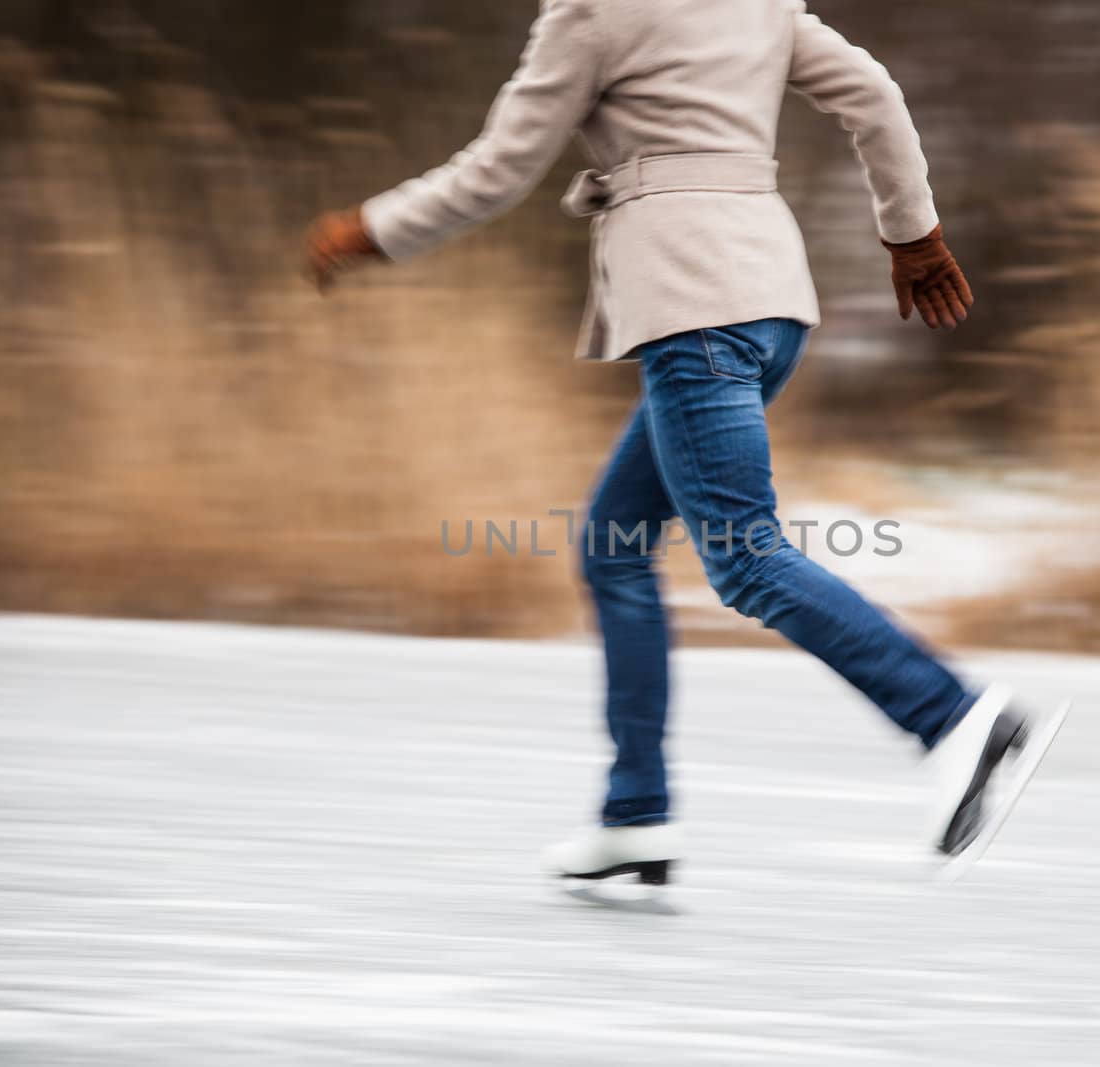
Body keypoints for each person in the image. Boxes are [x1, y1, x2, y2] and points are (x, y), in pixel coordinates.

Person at [304, 0, 1034, 887]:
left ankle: (952, 717)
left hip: (695, 309)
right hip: (769, 304)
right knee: (614, 547)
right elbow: (874, 94)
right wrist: (910, 231)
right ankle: (635, 812)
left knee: (746, 560)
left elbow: (499, 170)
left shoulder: (591, 14)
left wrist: (372, 229)